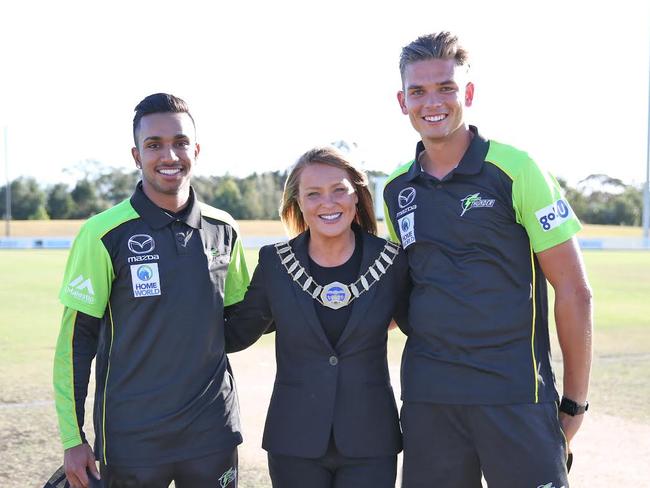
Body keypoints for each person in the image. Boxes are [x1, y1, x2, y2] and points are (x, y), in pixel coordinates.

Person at [383, 32, 593, 488]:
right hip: (428, 402)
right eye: (418, 91)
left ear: (469, 94)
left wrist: (574, 404)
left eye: (446, 87)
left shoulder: (518, 169)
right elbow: (405, 295)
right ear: (402, 101)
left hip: (516, 398)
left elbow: (575, 290)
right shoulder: (396, 189)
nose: (431, 102)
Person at [52, 93, 249, 488]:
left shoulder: (223, 228)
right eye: (154, 145)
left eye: (179, 143)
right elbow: (75, 345)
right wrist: (74, 440)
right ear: (136, 155)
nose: (169, 155)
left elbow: (240, 324)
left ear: (196, 149)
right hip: (132, 439)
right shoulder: (103, 234)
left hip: (212, 432)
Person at [224, 147, 410, 488]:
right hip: (294, 439)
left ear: (357, 196)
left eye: (339, 189)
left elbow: (424, 327)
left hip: (371, 439)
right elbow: (236, 334)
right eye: (313, 194)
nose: (328, 203)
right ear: (298, 202)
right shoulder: (275, 263)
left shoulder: (391, 261)